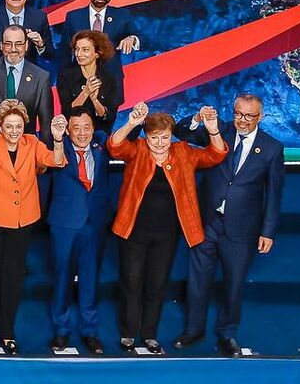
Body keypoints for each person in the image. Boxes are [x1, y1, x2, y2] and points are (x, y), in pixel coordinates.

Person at [105, 105, 228, 354]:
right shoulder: (138, 150)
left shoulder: (182, 152)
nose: (160, 143)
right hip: (133, 231)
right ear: (146, 136)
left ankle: (149, 334)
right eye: (154, 138)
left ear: (171, 135)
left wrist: (213, 131)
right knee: (132, 281)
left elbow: (215, 155)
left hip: (167, 234)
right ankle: (128, 333)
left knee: (157, 284)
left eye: (164, 137)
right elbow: (114, 146)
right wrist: (130, 124)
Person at [179, 94, 285, 356]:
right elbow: (183, 133)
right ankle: (193, 330)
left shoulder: (272, 148)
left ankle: (227, 334)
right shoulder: (220, 130)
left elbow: (274, 193)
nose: (242, 120)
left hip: (242, 229)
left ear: (260, 117)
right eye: (238, 113)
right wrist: (196, 118)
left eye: (249, 116)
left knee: (233, 284)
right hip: (207, 221)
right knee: (197, 280)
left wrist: (267, 231)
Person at [0, 100, 67, 355]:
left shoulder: (32, 143)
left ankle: (8, 333)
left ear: (25, 125)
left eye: (19, 126)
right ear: (0, 126)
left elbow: (56, 161)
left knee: (12, 278)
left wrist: (57, 139)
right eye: (9, 126)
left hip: (21, 220)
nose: (14, 131)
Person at [48, 112, 118, 355]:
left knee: (91, 278)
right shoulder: (57, 145)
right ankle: (61, 330)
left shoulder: (101, 145)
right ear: (68, 130)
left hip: (95, 222)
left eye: (86, 127)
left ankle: (89, 330)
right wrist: (57, 136)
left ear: (93, 128)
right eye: (76, 128)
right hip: (65, 223)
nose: (81, 132)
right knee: (62, 277)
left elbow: (119, 141)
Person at [56, 0, 142, 71]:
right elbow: (64, 52)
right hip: (79, 78)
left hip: (111, 77)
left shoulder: (122, 15)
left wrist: (132, 39)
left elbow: (141, 37)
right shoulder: (74, 17)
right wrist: (65, 79)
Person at [57, 30, 124, 133]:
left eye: (85, 50)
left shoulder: (109, 79)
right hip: (74, 133)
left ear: (98, 53)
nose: (79, 54)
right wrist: (86, 92)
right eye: (77, 49)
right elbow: (67, 112)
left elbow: (108, 117)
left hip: (100, 134)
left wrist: (95, 101)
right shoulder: (65, 77)